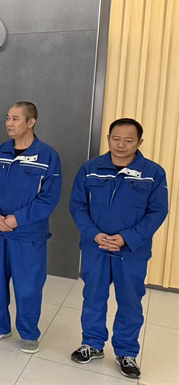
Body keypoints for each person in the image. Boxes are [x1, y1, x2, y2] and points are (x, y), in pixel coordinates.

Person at [68, 118, 168, 379]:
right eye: (116, 139)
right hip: (96, 247)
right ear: (108, 139)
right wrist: (94, 234)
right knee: (93, 296)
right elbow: (77, 205)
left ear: (139, 142)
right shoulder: (90, 169)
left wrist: (127, 238)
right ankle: (92, 343)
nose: (121, 145)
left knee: (130, 301)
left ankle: (126, 352)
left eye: (128, 140)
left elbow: (158, 211)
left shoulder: (153, 173)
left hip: (132, 251)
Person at [0, 101, 62, 354]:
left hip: (27, 234)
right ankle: (1, 326)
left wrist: (18, 219)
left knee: (28, 286)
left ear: (31, 122)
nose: (9, 123)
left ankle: (29, 332)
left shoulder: (47, 156)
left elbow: (49, 198)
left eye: (15, 118)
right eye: (7, 118)